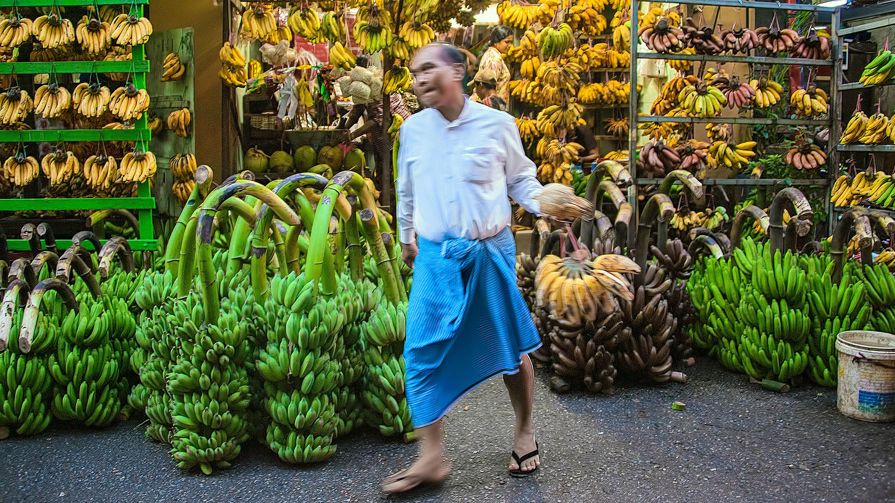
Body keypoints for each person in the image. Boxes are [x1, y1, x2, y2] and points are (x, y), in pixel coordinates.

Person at [383, 42, 544, 494]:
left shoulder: (498, 125)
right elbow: (406, 188)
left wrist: (545, 202)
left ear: (457, 71)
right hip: (435, 255)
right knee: (418, 349)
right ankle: (431, 457)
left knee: (510, 350)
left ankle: (525, 429)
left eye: (428, 68)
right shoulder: (412, 130)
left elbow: (520, 179)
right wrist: (406, 237)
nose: (418, 78)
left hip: (489, 250)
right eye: (414, 71)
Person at [477, 25, 513, 103]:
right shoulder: (494, 59)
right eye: (507, 42)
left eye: (511, 42)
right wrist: (495, 105)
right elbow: (488, 86)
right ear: (496, 42)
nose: (510, 46)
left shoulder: (493, 54)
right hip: (491, 107)